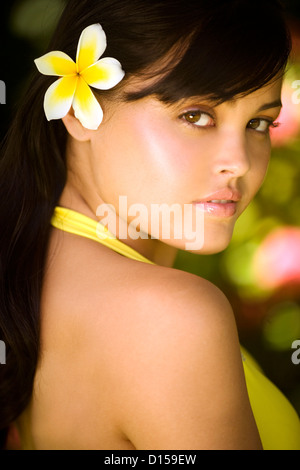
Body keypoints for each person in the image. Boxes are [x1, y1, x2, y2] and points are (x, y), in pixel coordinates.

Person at [0, 0, 299, 451]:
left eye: (258, 122)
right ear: (80, 111)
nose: (238, 162)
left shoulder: (32, 266)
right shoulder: (171, 315)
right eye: (196, 115)